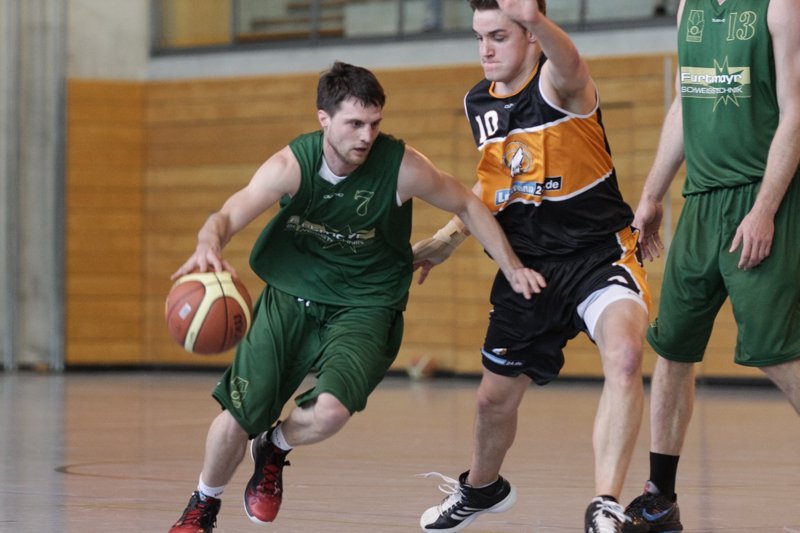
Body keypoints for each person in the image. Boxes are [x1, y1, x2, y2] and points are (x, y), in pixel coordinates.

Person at [166, 61, 543, 533]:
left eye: (374, 123)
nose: (367, 136)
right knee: (237, 416)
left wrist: (511, 266)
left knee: (330, 412)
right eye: (355, 124)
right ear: (324, 118)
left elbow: (467, 201)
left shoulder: (401, 166)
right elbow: (228, 214)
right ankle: (203, 505)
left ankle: (275, 446)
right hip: (291, 296)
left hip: (365, 304)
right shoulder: (292, 165)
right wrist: (208, 242)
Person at [413, 1, 652, 532]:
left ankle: (606, 505)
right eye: (479, 38)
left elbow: (572, 64)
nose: (485, 50)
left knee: (626, 355)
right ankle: (481, 489)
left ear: (531, 37)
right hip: (528, 268)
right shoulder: (479, 103)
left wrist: (540, 20)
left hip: (597, 257)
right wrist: (449, 237)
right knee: (491, 402)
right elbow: (494, 183)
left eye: (498, 36)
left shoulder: (559, 84)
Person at [622, 0, 800, 531]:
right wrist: (652, 194)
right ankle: (660, 498)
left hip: (762, 198)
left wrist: (764, 209)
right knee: (673, 348)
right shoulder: (688, 9)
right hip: (701, 202)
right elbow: (685, 103)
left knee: (779, 353)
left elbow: (796, 111)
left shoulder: (780, 6)